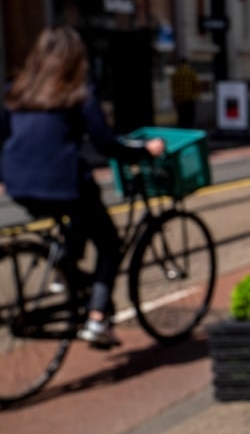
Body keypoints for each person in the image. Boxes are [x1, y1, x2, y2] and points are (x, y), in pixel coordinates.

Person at [0, 26, 165, 348]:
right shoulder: (78, 93)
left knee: (76, 217)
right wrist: (145, 150)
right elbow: (104, 143)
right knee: (108, 243)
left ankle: (68, 275)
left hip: (19, 184)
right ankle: (96, 320)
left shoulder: (16, 92)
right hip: (63, 184)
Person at [170, 56, 201, 128]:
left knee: (182, 120)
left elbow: (173, 88)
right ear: (187, 63)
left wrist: (174, 100)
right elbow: (197, 85)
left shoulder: (176, 74)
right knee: (190, 120)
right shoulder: (191, 73)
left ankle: (182, 135)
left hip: (179, 101)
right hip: (189, 100)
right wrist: (196, 96)